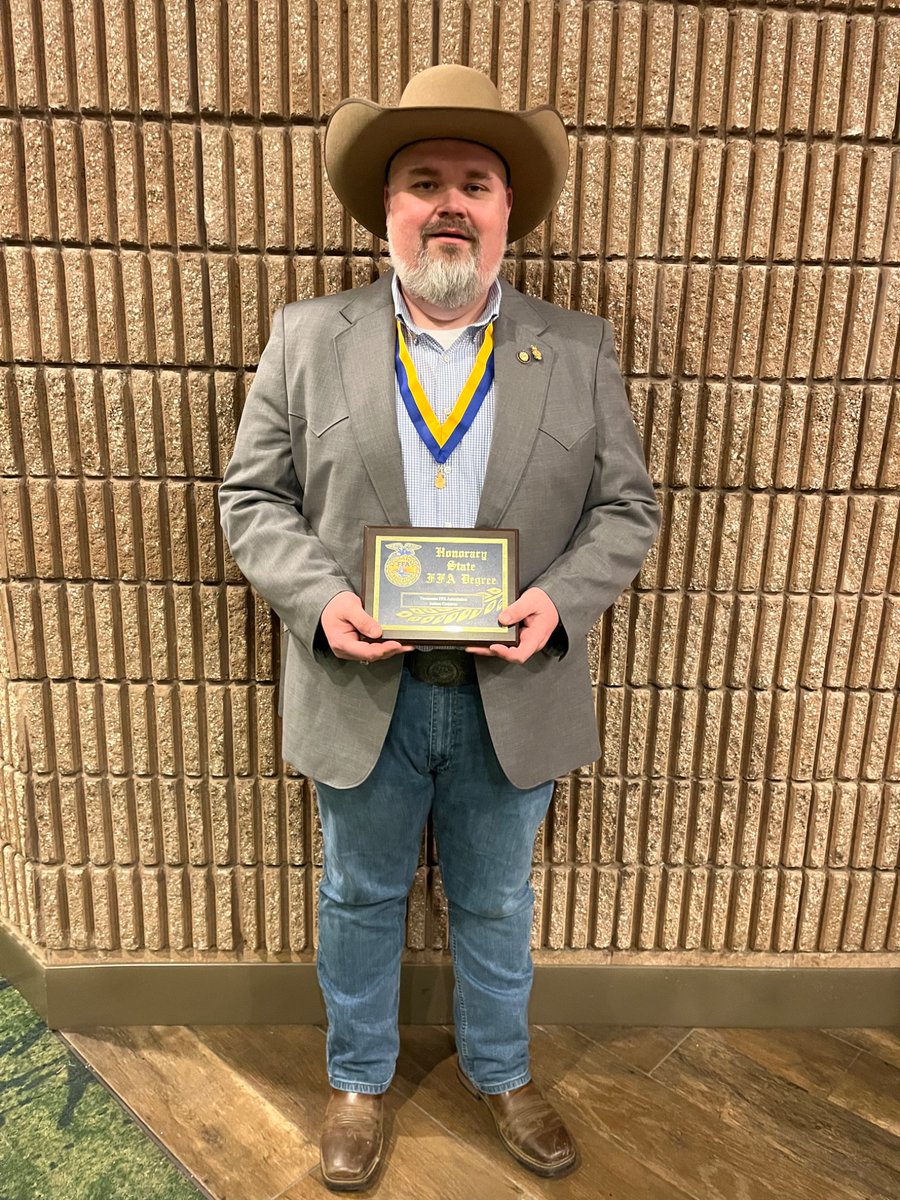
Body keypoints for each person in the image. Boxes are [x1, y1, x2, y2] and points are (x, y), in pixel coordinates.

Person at [218, 64, 660, 1192]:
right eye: (425, 180)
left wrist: (557, 600)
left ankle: (503, 1071)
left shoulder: (577, 348)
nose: (450, 201)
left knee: (500, 898)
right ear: (388, 207)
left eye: (476, 181)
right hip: (364, 685)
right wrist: (324, 603)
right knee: (358, 894)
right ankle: (358, 1080)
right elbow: (250, 499)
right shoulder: (308, 337)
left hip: (517, 688)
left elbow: (628, 510)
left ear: (509, 210)